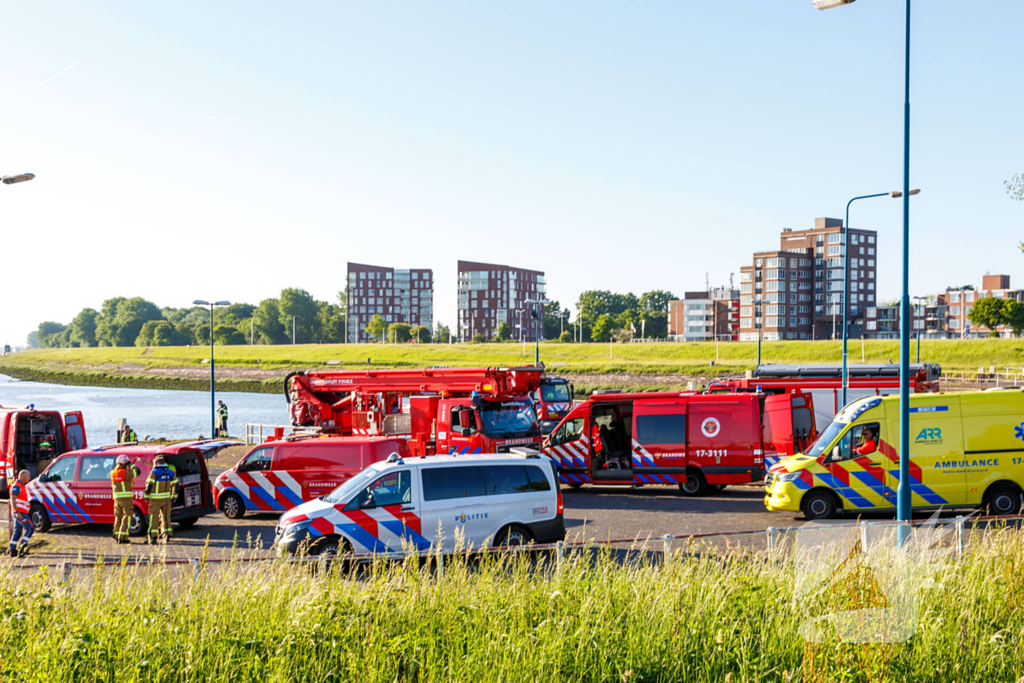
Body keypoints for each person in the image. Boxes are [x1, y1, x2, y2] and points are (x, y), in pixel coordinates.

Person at [144, 455, 178, 544]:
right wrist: (174, 497)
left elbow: (149, 486)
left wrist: (146, 496)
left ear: (156, 463)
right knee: (166, 517)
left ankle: (153, 538)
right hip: (166, 500)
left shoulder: (154, 472)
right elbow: (176, 485)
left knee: (153, 518)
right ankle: (167, 535)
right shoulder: (170, 472)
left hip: (155, 500)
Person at [110, 455, 141, 544]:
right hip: (126, 500)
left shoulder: (112, 472)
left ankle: (116, 535)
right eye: (126, 463)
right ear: (123, 463)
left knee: (118, 517)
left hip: (116, 500)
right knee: (126, 518)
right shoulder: (126, 473)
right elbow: (138, 471)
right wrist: (130, 464)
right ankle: (123, 538)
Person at [7, 470, 34, 558]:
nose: (30, 477)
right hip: (19, 512)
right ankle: (22, 547)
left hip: (21, 512)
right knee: (30, 528)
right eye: (28, 476)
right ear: (23, 476)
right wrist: (16, 512)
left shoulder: (22, 486)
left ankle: (12, 550)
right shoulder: (17, 486)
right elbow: (13, 499)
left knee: (18, 532)